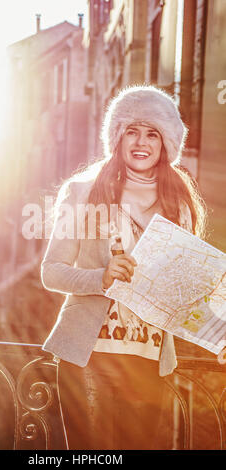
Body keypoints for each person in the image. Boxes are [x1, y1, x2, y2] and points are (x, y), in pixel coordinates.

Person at [40, 85, 207, 450]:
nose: (141, 142)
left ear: (165, 144)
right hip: (88, 357)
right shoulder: (81, 192)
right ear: (117, 137)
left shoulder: (177, 204)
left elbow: (185, 293)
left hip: (148, 362)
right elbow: (51, 271)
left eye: (152, 133)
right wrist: (101, 277)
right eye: (132, 130)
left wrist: (215, 328)